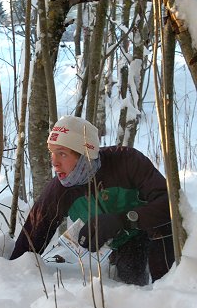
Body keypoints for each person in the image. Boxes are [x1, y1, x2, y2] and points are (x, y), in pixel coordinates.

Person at [10, 115, 175, 286]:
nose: (55, 163)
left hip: (153, 230)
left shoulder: (127, 161)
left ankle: (170, 292)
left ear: (85, 154)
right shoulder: (59, 191)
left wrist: (124, 219)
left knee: (163, 251)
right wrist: (9, 276)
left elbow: (169, 203)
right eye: (52, 153)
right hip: (123, 244)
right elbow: (28, 244)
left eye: (62, 154)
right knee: (131, 282)